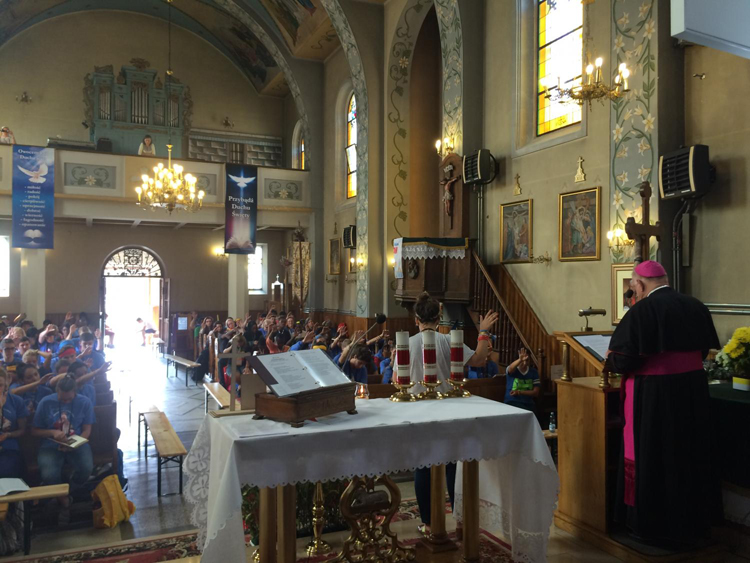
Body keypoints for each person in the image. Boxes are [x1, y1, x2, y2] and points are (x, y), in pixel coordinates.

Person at [607, 260, 720, 548]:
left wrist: (611, 357)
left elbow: (622, 360)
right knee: (688, 453)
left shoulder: (641, 310)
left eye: (634, 287)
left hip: (655, 397)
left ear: (640, 285)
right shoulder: (696, 305)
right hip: (692, 392)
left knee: (656, 455)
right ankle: (692, 523)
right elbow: (703, 350)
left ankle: (653, 527)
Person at [407, 292, 499, 536]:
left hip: (418, 410)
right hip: (448, 407)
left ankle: (428, 524)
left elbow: (398, 379)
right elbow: (479, 359)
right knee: (451, 466)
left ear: (416, 318)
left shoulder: (407, 343)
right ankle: (460, 521)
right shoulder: (448, 341)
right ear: (439, 318)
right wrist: (484, 331)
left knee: (423, 467)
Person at [32, 375, 95, 513]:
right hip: (51, 444)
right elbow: (35, 431)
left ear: (75, 392)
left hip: (76, 442)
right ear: (57, 391)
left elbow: (86, 430)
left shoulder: (84, 402)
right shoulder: (46, 402)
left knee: (86, 469)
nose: (66, 401)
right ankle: (64, 499)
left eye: (69, 399)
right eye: (62, 399)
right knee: (48, 475)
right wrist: (52, 432)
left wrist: (75, 443)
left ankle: (63, 493)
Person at [0, 369, 28, 478]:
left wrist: (8, 435)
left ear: (6, 385)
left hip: (9, 446)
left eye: (0, 385)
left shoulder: (16, 401)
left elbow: (22, 430)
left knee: (6, 471)